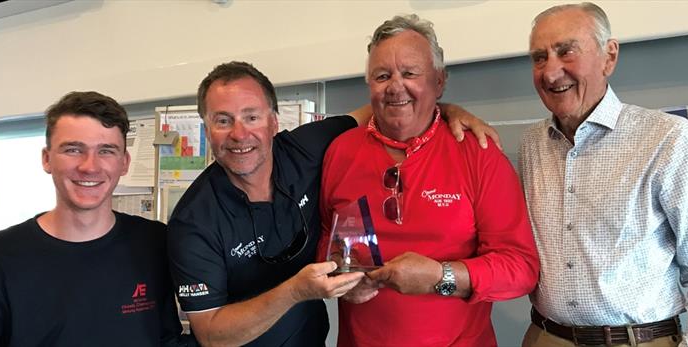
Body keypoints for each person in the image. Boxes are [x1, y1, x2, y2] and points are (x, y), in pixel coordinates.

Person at [166, 61, 498, 347]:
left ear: (273, 121)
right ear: (207, 130)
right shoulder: (194, 221)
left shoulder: (304, 148)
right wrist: (296, 291)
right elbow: (211, 334)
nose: (239, 134)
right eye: (223, 121)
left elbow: (387, 109)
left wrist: (447, 111)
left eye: (251, 117)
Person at [519, 3, 688, 347]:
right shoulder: (532, 143)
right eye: (539, 57)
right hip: (546, 337)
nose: (550, 72)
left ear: (609, 56)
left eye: (566, 51)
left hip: (637, 340)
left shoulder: (667, 137)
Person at [316, 14, 540, 347]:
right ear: (369, 85)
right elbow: (324, 238)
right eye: (382, 75)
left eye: (409, 73)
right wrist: (337, 271)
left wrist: (441, 277)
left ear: (439, 81)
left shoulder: (478, 153)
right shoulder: (339, 152)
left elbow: (519, 268)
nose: (395, 86)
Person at [0, 91, 193, 346]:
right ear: (47, 159)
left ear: (124, 163)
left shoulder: (157, 242)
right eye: (73, 149)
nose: (89, 166)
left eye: (106, 151)